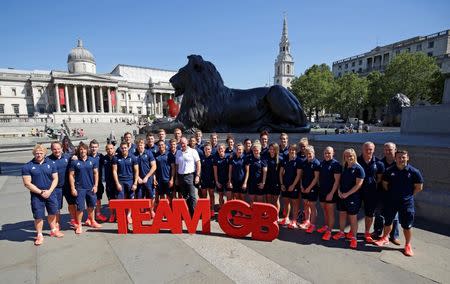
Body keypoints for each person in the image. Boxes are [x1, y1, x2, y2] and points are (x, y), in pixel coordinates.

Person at [375, 150, 424, 257]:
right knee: (388, 221)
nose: (401, 159)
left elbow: (419, 187)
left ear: (407, 158)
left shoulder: (414, 172)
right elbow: (385, 184)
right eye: (399, 157)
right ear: (395, 158)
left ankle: (407, 245)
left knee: (407, 226)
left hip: (406, 203)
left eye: (403, 157)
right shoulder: (389, 171)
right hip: (391, 202)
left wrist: (407, 196)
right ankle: (384, 238)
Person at [22, 144, 62, 245]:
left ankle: (53, 230)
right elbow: (27, 183)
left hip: (50, 193)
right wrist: (40, 192)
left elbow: (55, 178)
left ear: (44, 153)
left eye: (41, 153)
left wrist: (49, 191)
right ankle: (39, 235)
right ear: (33, 154)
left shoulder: (51, 164)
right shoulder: (28, 166)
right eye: (37, 153)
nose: (39, 155)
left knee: (53, 212)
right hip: (37, 195)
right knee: (38, 216)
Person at [333, 148, 365, 249]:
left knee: (353, 218)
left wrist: (347, 194)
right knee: (342, 215)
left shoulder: (359, 169)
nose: (349, 158)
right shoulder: (344, 167)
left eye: (350, 156)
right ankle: (341, 232)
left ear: (354, 156)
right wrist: (338, 191)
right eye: (346, 156)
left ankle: (354, 238)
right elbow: (340, 181)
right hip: (342, 196)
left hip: (352, 198)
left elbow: (358, 185)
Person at [69, 142, 101, 234]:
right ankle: (79, 225)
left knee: (91, 206)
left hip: (90, 188)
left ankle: (92, 221)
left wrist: (96, 186)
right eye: (81, 149)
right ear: (79, 151)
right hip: (80, 188)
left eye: (84, 149)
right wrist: (73, 188)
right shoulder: (75, 162)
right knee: (80, 208)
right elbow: (71, 175)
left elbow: (96, 173)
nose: (83, 151)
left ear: (87, 150)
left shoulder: (92, 160)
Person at [357, 141, 385, 243]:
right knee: (353, 212)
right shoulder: (356, 161)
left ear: (373, 150)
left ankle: (367, 232)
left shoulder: (379, 163)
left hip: (371, 193)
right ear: (362, 149)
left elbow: (379, 178)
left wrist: (371, 184)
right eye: (366, 149)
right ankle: (353, 230)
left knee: (369, 214)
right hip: (357, 192)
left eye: (370, 149)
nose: (368, 151)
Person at [374, 142, 401, 245]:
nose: (388, 152)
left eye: (390, 149)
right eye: (386, 150)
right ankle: (377, 232)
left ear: (395, 150)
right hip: (381, 193)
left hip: (394, 195)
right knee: (379, 214)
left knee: (394, 217)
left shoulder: (399, 162)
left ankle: (394, 236)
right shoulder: (380, 163)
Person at [317, 146, 342, 241]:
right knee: (325, 211)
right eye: (325, 153)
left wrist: (331, 193)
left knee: (330, 212)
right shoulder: (322, 163)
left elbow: (337, 181)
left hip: (331, 193)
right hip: (322, 191)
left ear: (333, 153)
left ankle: (329, 231)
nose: (327, 155)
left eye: (329, 153)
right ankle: (326, 226)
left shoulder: (336, 165)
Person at [112, 142, 139, 224]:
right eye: (122, 148)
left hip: (130, 181)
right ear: (120, 148)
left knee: (131, 199)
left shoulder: (133, 157)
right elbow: (114, 171)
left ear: (128, 148)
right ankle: (121, 216)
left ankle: (128, 215)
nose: (124, 149)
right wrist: (117, 183)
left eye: (125, 148)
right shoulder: (116, 158)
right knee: (120, 200)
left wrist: (135, 183)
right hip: (121, 181)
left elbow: (136, 171)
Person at [173, 137, 201, 215]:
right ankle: (188, 214)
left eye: (184, 143)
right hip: (181, 176)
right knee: (185, 196)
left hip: (190, 176)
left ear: (187, 142)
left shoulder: (193, 151)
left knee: (192, 196)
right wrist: (176, 178)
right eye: (181, 143)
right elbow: (177, 166)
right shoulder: (178, 152)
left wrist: (197, 175)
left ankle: (194, 214)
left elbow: (198, 163)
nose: (182, 145)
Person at [47, 141, 71, 230]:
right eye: (54, 149)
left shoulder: (68, 157)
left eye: (58, 149)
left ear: (61, 149)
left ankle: (73, 219)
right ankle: (57, 223)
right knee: (57, 207)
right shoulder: (48, 160)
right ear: (51, 150)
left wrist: (76, 158)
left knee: (72, 204)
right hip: (56, 188)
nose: (57, 151)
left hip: (68, 186)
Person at [279, 144, 301, 228]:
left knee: (295, 203)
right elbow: (281, 173)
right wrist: (282, 184)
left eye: (294, 150)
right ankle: (286, 218)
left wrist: (293, 185)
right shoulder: (284, 160)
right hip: (285, 185)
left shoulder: (298, 161)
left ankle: (294, 221)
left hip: (294, 186)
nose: (292, 151)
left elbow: (298, 175)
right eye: (291, 150)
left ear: (296, 151)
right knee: (286, 202)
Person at [299, 146, 320, 233]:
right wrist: (301, 186)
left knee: (312, 205)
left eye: (310, 153)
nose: (309, 155)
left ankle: (313, 225)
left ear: (313, 153)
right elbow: (301, 175)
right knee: (305, 205)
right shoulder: (304, 162)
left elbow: (316, 178)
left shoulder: (316, 163)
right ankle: (307, 221)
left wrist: (309, 188)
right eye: (307, 153)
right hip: (304, 187)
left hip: (312, 189)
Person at [135, 138, 157, 217]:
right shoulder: (134, 155)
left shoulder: (149, 153)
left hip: (148, 179)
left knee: (150, 196)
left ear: (144, 145)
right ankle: (141, 213)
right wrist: (137, 178)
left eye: (141, 145)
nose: (140, 147)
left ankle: (151, 211)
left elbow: (154, 166)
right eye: (138, 145)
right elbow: (132, 169)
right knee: (139, 196)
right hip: (139, 180)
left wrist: (147, 177)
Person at [89, 139, 108, 222]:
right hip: (88, 182)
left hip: (98, 181)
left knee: (98, 198)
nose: (94, 149)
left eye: (95, 147)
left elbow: (109, 162)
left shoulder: (101, 156)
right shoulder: (87, 156)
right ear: (90, 147)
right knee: (89, 199)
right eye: (92, 147)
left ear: (98, 147)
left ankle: (98, 214)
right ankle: (90, 217)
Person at [265, 143, 282, 210]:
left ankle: (276, 216)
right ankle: (270, 215)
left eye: (273, 149)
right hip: (268, 182)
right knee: (268, 198)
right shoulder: (266, 158)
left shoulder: (280, 159)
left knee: (276, 200)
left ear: (276, 150)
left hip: (276, 182)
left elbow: (282, 173)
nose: (271, 150)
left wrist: (281, 183)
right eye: (270, 149)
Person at [200, 142, 215, 217]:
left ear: (211, 150)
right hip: (203, 180)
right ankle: (205, 210)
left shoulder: (213, 158)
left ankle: (212, 209)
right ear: (204, 150)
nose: (207, 150)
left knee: (211, 195)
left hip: (211, 180)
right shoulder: (201, 158)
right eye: (206, 149)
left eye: (209, 149)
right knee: (204, 196)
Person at [103, 143, 117, 222]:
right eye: (108, 149)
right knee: (110, 199)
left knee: (118, 199)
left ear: (114, 149)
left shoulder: (117, 157)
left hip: (118, 181)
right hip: (109, 182)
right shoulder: (104, 158)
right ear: (106, 150)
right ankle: (112, 214)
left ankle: (118, 214)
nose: (110, 150)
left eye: (111, 148)